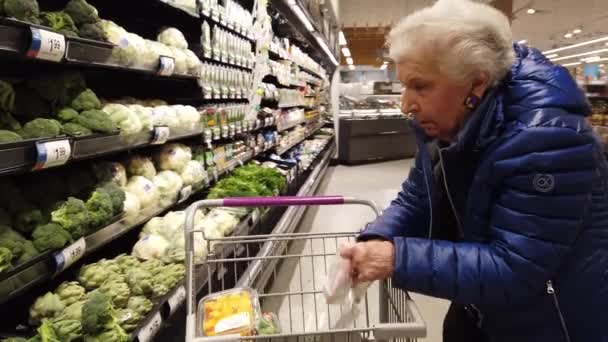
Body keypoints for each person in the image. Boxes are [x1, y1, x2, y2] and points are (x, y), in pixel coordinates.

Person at [339, 1, 608, 342]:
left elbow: (515, 269)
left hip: (546, 323)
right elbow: (416, 197)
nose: (405, 104)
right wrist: (375, 238)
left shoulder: (548, 141)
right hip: (478, 309)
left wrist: (396, 258)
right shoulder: (451, 126)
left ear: (476, 84)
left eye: (421, 86)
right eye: (404, 85)